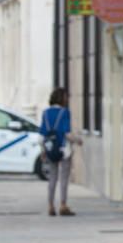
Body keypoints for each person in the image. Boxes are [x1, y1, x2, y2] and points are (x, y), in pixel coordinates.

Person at [39, 88, 82, 217]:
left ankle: (50, 205)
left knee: (52, 178)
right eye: (66, 96)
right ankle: (63, 205)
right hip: (64, 150)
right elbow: (67, 133)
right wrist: (78, 140)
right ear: (62, 98)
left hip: (50, 148)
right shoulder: (65, 112)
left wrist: (43, 151)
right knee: (63, 178)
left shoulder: (45, 113)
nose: (68, 99)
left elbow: (41, 135)